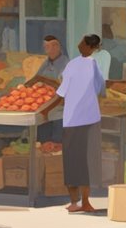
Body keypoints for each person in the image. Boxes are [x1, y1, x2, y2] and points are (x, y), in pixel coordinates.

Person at [44, 34, 105, 214]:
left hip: (73, 119)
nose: (79, 44)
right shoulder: (94, 65)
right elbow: (100, 88)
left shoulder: (73, 65)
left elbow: (61, 92)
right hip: (90, 118)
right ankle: (84, 201)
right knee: (86, 160)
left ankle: (76, 201)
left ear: (88, 46)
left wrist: (45, 109)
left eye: (82, 42)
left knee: (72, 160)